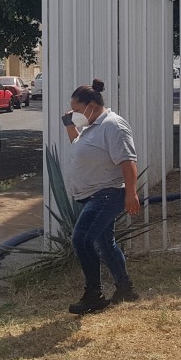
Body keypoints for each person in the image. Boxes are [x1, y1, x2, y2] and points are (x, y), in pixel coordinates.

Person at [61, 78, 141, 315]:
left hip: (107, 193)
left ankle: (93, 294)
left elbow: (128, 161)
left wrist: (131, 193)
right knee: (105, 243)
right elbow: (79, 145)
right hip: (92, 194)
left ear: (91, 105)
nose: (75, 114)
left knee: (81, 239)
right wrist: (69, 124)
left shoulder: (113, 126)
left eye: (76, 110)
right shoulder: (91, 126)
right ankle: (125, 288)